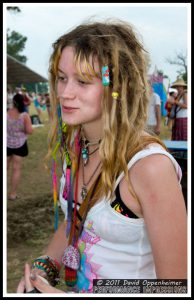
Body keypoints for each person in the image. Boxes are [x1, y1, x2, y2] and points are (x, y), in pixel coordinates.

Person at [17, 19, 187, 294]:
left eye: (83, 81)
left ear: (117, 85)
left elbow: (175, 287)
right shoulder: (77, 146)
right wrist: (43, 270)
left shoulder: (149, 168)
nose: (64, 93)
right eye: (61, 78)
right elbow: (77, 219)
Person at [7, 93, 33, 200]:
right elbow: (29, 131)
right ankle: (13, 194)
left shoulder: (7, 112)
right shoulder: (24, 115)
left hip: (7, 143)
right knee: (16, 169)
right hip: (20, 144)